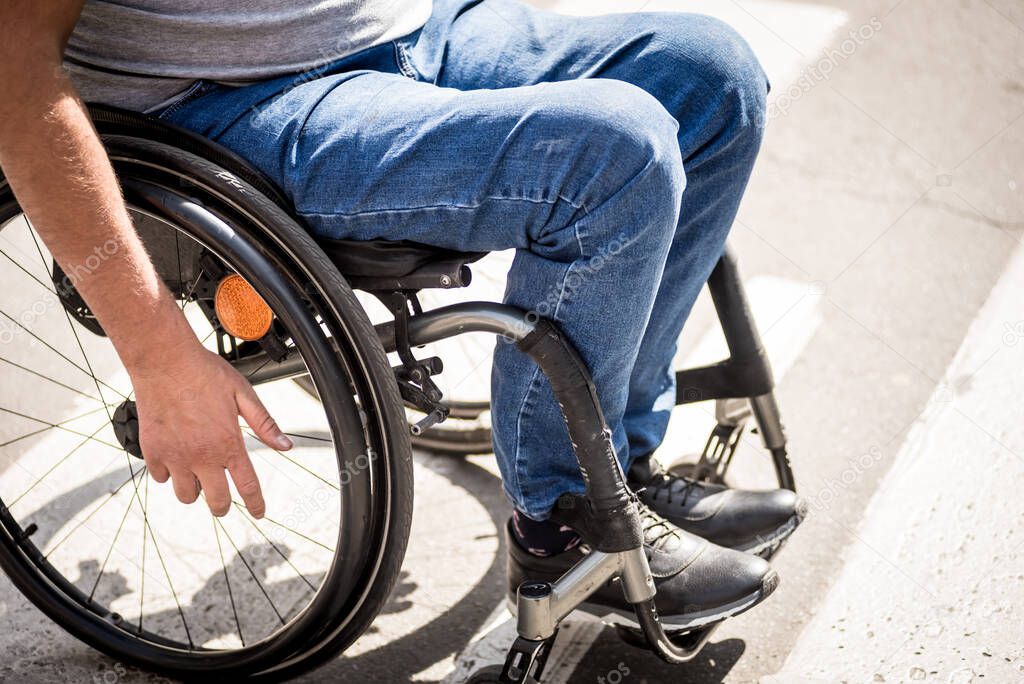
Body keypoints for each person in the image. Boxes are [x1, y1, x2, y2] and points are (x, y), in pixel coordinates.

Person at [0, 0, 806, 631]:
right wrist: (160, 357)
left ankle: (616, 463)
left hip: (410, 25)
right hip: (241, 104)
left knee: (714, 75)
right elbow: (12, 76)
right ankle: (570, 526)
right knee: (613, 157)